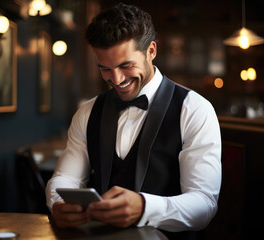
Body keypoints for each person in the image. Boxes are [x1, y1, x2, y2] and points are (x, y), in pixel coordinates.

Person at [46, 3, 221, 239]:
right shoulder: (87, 112)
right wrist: (58, 203)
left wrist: (144, 207)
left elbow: (204, 205)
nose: (116, 79)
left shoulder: (195, 110)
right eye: (105, 69)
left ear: (151, 51)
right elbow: (65, 178)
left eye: (125, 65)